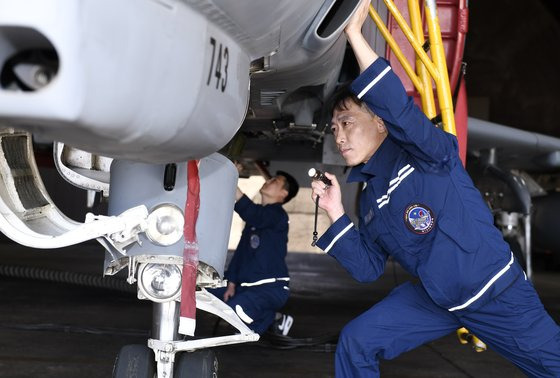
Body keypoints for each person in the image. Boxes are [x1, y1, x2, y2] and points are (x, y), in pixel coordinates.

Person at [310, 1, 560, 376]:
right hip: (438, 299)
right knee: (357, 341)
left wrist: (354, 36)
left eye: (347, 122)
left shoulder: (427, 152)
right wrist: (335, 211)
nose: (340, 137)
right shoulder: (372, 199)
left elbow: (401, 110)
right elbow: (367, 269)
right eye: (335, 128)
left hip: (495, 292)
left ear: (380, 122)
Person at [210, 171, 298, 335]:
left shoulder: (278, 215)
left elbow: (254, 214)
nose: (268, 181)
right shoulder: (255, 220)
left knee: (237, 309)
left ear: (283, 194)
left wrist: (232, 182)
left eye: (275, 181)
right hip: (247, 287)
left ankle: (271, 319)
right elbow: (241, 254)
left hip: (270, 288)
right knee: (205, 288)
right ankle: (267, 321)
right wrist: (232, 283)